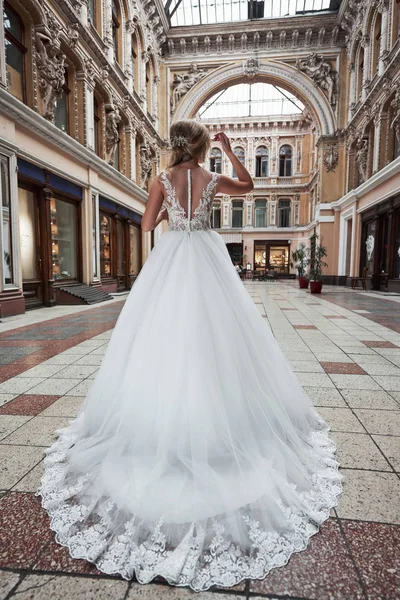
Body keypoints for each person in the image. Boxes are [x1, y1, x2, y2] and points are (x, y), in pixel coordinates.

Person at [38, 119, 342, 592]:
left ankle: (163, 421)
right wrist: (228, 150)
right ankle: (219, 417)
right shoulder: (212, 178)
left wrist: (167, 218)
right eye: (208, 144)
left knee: (160, 338)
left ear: (175, 145)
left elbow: (144, 222)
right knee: (219, 336)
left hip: (172, 259)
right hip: (207, 258)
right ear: (202, 147)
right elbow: (249, 184)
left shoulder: (161, 179)